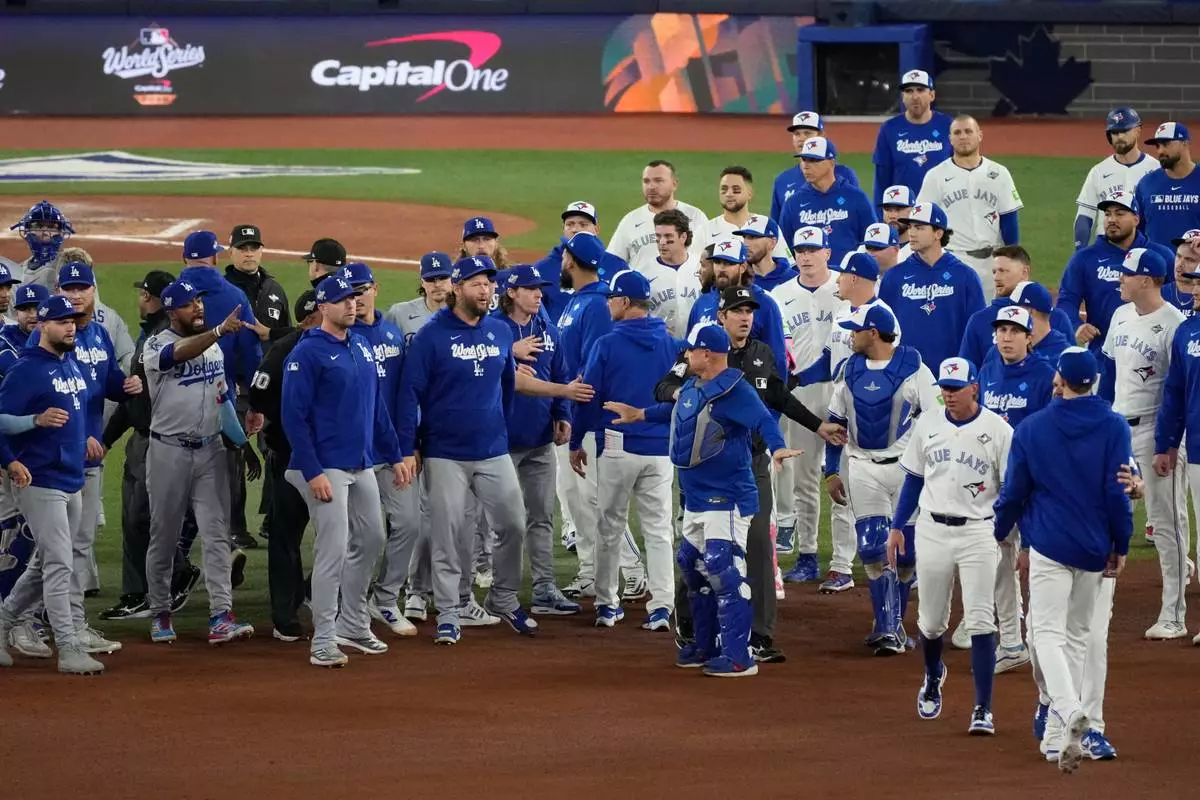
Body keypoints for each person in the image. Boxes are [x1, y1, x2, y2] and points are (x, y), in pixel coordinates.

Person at [656, 286, 846, 663]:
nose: (746, 317)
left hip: (753, 465)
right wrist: (690, 396)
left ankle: (758, 634)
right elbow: (664, 386)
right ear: (722, 315)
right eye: (737, 311)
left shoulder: (761, 354)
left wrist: (816, 425)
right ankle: (693, 628)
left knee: (758, 546)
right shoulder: (698, 352)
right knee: (695, 553)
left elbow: (778, 397)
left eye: (750, 311)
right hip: (706, 471)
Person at [604, 323, 802, 677]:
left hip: (727, 498)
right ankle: (705, 645)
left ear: (706, 353)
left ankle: (739, 656)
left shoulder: (736, 391)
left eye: (690, 350)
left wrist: (778, 448)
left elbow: (763, 421)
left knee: (724, 570)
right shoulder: (695, 386)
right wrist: (639, 414)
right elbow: (680, 413)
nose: (685, 355)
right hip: (695, 497)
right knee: (694, 569)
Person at [993, 346, 1133, 774]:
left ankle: (1069, 710)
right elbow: (1117, 492)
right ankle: (1056, 738)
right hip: (1094, 548)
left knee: (1045, 637)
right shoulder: (1114, 426)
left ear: (1060, 380)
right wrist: (1121, 544)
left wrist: (1001, 532)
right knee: (1075, 638)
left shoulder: (1033, 429)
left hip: (1050, 547)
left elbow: (1014, 492)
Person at [396, 256, 540, 645]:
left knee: (512, 522)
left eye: (490, 284)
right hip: (445, 452)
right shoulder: (430, 337)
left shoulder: (498, 331)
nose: (486, 290)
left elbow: (507, 386)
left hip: (493, 448)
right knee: (448, 533)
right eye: (477, 284)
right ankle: (448, 611)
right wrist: (412, 444)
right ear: (456, 288)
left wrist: (496, 425)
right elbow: (410, 393)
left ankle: (504, 598)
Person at [283, 274, 410, 666]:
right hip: (325, 468)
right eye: (342, 301)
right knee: (332, 550)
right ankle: (322, 639)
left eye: (354, 299)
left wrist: (396, 454)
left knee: (371, 539)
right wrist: (313, 470)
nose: (352, 305)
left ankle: (353, 623)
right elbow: (293, 417)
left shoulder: (360, 346)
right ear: (323, 307)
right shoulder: (307, 354)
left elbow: (377, 411)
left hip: (362, 464)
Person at [888, 356, 1013, 735]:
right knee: (930, 623)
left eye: (956, 388)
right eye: (944, 388)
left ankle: (983, 708)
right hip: (932, 530)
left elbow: (1011, 488)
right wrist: (897, 526)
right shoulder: (928, 424)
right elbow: (913, 480)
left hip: (977, 531)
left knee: (979, 620)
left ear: (975, 387)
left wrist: (1002, 529)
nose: (949, 394)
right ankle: (932, 674)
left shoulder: (999, 430)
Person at [26, 262, 143, 652]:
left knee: (78, 546)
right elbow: (51, 397)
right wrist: (86, 435)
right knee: (55, 553)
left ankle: (70, 624)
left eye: (82, 288)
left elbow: (107, 381)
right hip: (54, 463)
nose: (76, 296)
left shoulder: (96, 336)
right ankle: (48, 625)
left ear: (94, 291)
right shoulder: (48, 344)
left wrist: (127, 386)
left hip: (87, 463)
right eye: (68, 288)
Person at [142, 279, 257, 646]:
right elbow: (177, 355)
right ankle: (160, 611)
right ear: (172, 310)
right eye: (190, 304)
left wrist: (241, 441)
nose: (199, 308)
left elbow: (222, 401)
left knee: (217, 533)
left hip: (210, 452)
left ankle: (221, 615)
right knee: (165, 535)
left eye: (200, 302)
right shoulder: (156, 345)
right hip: (168, 452)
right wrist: (220, 331)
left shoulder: (214, 351)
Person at [824, 304, 940, 655]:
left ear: (872, 333)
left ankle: (894, 623)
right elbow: (835, 423)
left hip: (909, 471)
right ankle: (888, 628)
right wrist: (831, 470)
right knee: (873, 548)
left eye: (855, 330)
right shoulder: (849, 370)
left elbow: (937, 421)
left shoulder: (915, 369)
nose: (850, 335)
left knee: (906, 554)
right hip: (863, 466)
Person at [571, 270, 682, 629]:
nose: (606, 304)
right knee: (659, 529)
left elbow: (589, 398)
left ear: (622, 302)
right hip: (662, 449)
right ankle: (663, 605)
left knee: (609, 527)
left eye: (610, 299)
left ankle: (607, 604)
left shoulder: (606, 343)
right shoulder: (672, 344)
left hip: (618, 448)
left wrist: (576, 442)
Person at [0, 295, 103, 674]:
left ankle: (2, 621)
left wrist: (85, 438)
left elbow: (77, 411)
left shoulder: (69, 362)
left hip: (71, 477)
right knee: (60, 564)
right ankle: (70, 647)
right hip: (39, 479)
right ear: (43, 326)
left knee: (46, 564)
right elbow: (1, 420)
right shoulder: (26, 370)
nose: (70, 325)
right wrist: (27, 433)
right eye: (61, 321)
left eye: (72, 320)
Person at [98, 271, 205, 622]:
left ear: (154, 298)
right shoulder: (154, 335)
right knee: (137, 518)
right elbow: (133, 400)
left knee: (144, 518)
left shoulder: (162, 341)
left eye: (144, 293)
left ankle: (169, 577)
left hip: (158, 443)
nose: (140, 298)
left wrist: (108, 438)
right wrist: (108, 438)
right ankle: (142, 590)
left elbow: (140, 403)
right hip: (146, 439)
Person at [1099, 247, 1188, 640]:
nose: (1119, 278)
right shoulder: (1119, 315)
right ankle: (1100, 608)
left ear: (1148, 279)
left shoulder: (1175, 324)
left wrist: (1168, 443)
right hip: (1117, 430)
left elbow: (1179, 390)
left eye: (1126, 273)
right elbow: (1107, 372)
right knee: (1104, 516)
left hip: (1156, 432)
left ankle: (1174, 613)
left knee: (1165, 523)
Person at [329, 262, 420, 639]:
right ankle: (342, 609)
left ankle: (383, 598)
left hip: (390, 451)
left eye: (363, 289)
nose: (357, 298)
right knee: (356, 537)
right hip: (351, 455)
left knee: (410, 524)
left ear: (375, 289)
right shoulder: (341, 339)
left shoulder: (390, 334)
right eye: (350, 292)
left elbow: (403, 396)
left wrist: (406, 447)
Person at [555, 232, 644, 600]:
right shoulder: (575, 302)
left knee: (595, 495)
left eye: (564, 256)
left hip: (586, 416)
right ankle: (590, 571)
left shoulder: (594, 305)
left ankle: (634, 569)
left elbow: (594, 365)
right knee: (573, 496)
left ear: (571, 261)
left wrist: (582, 412)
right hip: (566, 411)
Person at [492, 264, 581, 616]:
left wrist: (562, 414)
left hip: (541, 440)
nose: (539, 294)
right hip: (500, 444)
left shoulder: (548, 330)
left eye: (539, 288)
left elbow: (561, 373)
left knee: (542, 516)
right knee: (505, 522)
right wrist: (508, 352)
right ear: (512, 292)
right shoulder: (494, 330)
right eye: (530, 289)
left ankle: (544, 588)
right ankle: (503, 593)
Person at [976, 306, 1055, 674]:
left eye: (1013, 331)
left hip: (1035, 483)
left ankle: (1043, 637)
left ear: (1029, 337)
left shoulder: (1044, 376)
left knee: (1041, 563)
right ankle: (1010, 640)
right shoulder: (988, 368)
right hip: (995, 484)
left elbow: (1051, 429)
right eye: (1001, 330)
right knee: (1001, 561)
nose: (1005, 337)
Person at [771, 228, 850, 586]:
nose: (805, 256)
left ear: (827, 252)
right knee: (802, 478)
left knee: (843, 477)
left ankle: (843, 561)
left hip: (841, 393)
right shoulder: (780, 295)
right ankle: (806, 554)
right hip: (799, 397)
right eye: (800, 249)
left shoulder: (845, 289)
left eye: (812, 249)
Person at [248, 290, 322, 642]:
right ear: (311, 317)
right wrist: (274, 432)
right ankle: (285, 614)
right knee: (286, 537)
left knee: (345, 536)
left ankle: (315, 595)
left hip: (334, 461)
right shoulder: (284, 350)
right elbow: (258, 396)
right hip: (291, 459)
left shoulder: (347, 345)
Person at [1057, 190, 1178, 357]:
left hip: (1154, 354)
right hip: (1102, 353)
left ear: (1136, 219)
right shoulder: (1085, 258)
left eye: (1120, 214)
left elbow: (1178, 295)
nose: (1112, 220)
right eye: (1107, 214)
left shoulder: (1160, 256)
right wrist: (1077, 325)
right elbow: (1067, 299)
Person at [916, 115, 1022, 301]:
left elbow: (1009, 219)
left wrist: (1012, 260)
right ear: (950, 139)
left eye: (968, 131)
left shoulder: (999, 173)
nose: (963, 136)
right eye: (957, 132)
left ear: (979, 135)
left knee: (994, 318)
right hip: (954, 260)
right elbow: (923, 222)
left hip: (993, 261)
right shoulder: (935, 176)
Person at [879, 202, 986, 371]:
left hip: (951, 375)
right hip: (904, 374)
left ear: (938, 233)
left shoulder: (965, 276)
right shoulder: (895, 277)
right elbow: (882, 330)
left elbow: (978, 330)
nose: (911, 233)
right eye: (911, 227)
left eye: (919, 228)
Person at [959, 246, 1075, 368]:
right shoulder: (979, 320)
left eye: (1003, 271)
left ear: (1025, 272)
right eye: (994, 272)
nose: (996, 277)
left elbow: (1072, 365)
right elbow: (968, 371)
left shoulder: (1055, 317)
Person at [688, 239, 787, 377]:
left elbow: (778, 359)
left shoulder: (764, 304)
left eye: (729, 263)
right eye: (717, 262)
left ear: (743, 267)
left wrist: (777, 395)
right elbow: (689, 351)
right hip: (706, 390)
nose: (721, 269)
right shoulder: (702, 302)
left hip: (748, 387)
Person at [778, 137, 877, 266]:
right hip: (809, 280)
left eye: (813, 160)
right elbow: (784, 249)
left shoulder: (856, 198)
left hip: (848, 277)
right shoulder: (793, 203)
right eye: (804, 159)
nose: (806, 166)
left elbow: (872, 241)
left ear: (831, 162)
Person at [1074, 107, 1160, 249]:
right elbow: (1085, 215)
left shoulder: (1156, 169)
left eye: (1125, 131)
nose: (1119, 137)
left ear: (1138, 131)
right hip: (1106, 248)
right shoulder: (1098, 171)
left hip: (1144, 249)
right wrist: (1079, 249)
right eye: (1114, 132)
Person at [872, 69, 953, 211]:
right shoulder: (889, 129)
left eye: (921, 90)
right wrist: (880, 217)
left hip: (942, 209)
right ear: (902, 97)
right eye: (909, 91)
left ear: (932, 95)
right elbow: (882, 180)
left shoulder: (948, 126)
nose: (915, 96)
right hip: (903, 212)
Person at [608, 160, 710, 270]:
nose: (651, 186)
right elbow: (612, 262)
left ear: (674, 184)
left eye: (658, 180)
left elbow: (711, 259)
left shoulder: (696, 216)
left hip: (687, 286)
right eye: (646, 181)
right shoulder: (630, 220)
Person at [771, 112, 860, 223]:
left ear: (822, 136)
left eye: (807, 133)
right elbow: (777, 227)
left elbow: (857, 214)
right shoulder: (783, 180)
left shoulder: (845, 175)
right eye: (797, 134)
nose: (801, 139)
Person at [713, 167, 794, 271]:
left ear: (749, 193)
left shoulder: (766, 225)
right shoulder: (705, 230)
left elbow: (787, 267)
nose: (729, 194)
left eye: (736, 190)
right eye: (724, 189)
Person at [532, 202, 600, 325]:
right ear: (563, 229)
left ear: (596, 229)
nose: (576, 229)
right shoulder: (541, 270)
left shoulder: (612, 266)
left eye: (583, 224)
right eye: (570, 224)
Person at [1135, 122, 1200, 251]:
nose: (1160, 151)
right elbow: (1137, 230)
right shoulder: (1146, 184)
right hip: (1157, 267)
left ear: (1185, 143)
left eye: (1166, 144)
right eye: (1158, 146)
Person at [640, 209, 702, 337]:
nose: (662, 242)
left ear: (683, 237)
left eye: (668, 236)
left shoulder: (701, 267)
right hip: (660, 347)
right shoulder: (643, 273)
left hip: (697, 349)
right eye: (658, 237)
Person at [9, 200, 74, 291]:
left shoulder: (73, 265)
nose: (46, 233)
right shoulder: (17, 274)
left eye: (51, 227)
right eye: (39, 227)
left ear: (61, 232)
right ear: (28, 231)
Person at [734, 214, 796, 293]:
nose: (745, 243)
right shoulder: (738, 279)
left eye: (753, 237)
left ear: (772, 242)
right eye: (744, 237)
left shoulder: (793, 279)